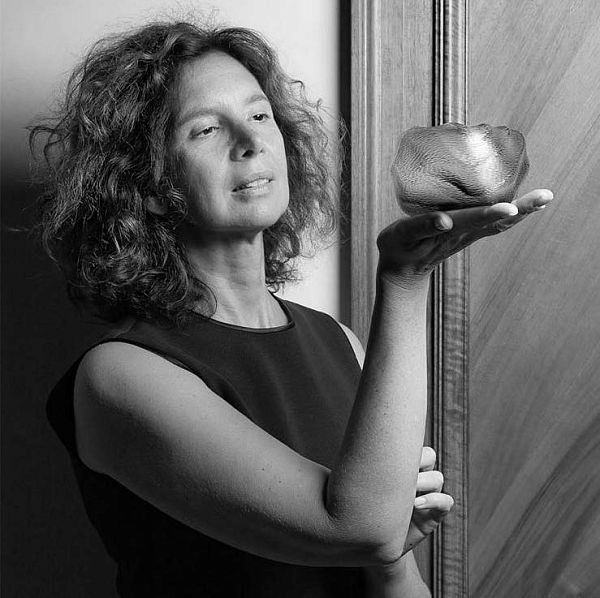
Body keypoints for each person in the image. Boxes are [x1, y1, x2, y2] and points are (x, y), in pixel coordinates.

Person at [30, 20, 553, 598]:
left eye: (260, 116)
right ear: (149, 186)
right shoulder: (121, 376)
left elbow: (384, 561)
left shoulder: (339, 343)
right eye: (206, 129)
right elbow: (356, 529)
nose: (250, 141)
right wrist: (406, 279)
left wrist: (390, 556)